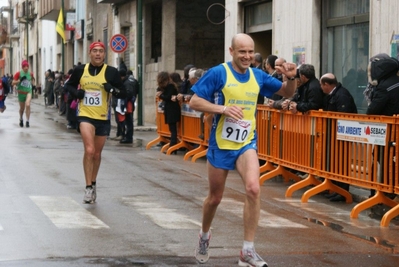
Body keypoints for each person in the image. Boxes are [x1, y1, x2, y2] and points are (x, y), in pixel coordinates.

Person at [189, 33, 297, 266]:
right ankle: (204, 235)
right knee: (215, 198)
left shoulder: (258, 76)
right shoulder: (219, 73)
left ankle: (247, 251)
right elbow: (194, 101)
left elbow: (287, 93)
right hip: (221, 145)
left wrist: (292, 78)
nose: (247, 56)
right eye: (242, 52)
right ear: (231, 51)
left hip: (246, 143)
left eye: (250, 51)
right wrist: (222, 109)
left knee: (253, 189)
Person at [64, 41, 126, 204]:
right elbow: (68, 86)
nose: (98, 54)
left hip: (102, 118)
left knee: (97, 154)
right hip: (85, 115)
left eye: (101, 51)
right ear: (90, 54)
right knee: (89, 150)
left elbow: (123, 93)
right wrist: (77, 93)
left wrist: (111, 89)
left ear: (104, 55)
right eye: (95, 51)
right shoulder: (80, 70)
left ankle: (93, 182)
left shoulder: (111, 72)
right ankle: (88, 187)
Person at [320, 73, 358, 202]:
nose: (321, 88)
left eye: (322, 85)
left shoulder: (341, 95)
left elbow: (344, 115)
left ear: (327, 84)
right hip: (334, 134)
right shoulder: (333, 95)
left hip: (342, 134)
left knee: (341, 162)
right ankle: (336, 189)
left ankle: (342, 191)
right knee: (335, 162)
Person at [155, 71, 181, 153]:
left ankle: (172, 146)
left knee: (173, 129)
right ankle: (173, 147)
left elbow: (167, 97)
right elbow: (160, 90)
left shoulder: (171, 86)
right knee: (171, 129)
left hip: (173, 110)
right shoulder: (167, 87)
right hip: (170, 109)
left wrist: (160, 95)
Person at [12, 60, 35, 128]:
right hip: (21, 93)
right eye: (24, 66)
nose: (26, 68)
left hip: (28, 91)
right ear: (22, 67)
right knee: (22, 108)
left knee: (28, 104)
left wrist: (33, 85)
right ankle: (21, 118)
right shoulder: (18, 73)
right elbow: (13, 83)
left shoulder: (30, 74)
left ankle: (27, 121)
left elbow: (33, 79)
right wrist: (19, 80)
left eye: (27, 66)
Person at [119, 69, 139, 144]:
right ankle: (128, 136)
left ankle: (128, 137)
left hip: (128, 103)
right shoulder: (134, 81)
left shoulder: (127, 83)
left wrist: (124, 104)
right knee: (129, 121)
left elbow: (128, 93)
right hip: (131, 102)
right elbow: (137, 91)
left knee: (128, 121)